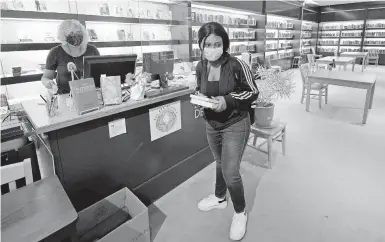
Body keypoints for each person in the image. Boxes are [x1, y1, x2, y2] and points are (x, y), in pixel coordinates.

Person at [195, 22, 259, 241]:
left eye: (217, 43)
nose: (212, 48)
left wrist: (228, 100)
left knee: (231, 172)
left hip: (235, 123)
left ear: (224, 44)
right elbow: (199, 88)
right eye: (208, 44)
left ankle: (240, 212)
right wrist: (199, 100)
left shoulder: (237, 65)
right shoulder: (200, 66)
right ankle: (220, 197)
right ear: (201, 45)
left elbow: (252, 92)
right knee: (220, 163)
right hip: (212, 124)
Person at [41, 19, 100, 94]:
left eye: (78, 34)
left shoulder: (92, 50)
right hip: (65, 97)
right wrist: (48, 83)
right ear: (64, 36)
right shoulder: (55, 52)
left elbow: (100, 75)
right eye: (72, 35)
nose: (76, 39)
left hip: (89, 95)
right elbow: (46, 77)